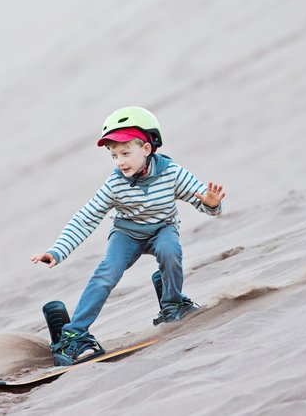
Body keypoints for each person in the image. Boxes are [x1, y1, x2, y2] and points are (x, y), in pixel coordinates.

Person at [30, 106, 226, 365]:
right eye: (113, 155)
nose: (119, 161)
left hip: (162, 229)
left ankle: (173, 304)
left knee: (170, 251)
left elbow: (205, 202)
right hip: (126, 234)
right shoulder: (115, 185)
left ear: (146, 149)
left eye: (125, 153)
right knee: (106, 274)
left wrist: (212, 203)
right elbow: (85, 218)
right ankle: (73, 336)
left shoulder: (172, 173)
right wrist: (57, 251)